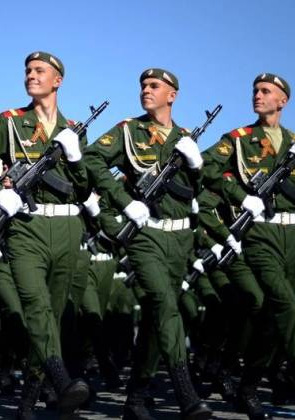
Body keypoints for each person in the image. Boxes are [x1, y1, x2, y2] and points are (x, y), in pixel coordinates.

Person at [0, 51, 91, 419]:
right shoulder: (10, 123)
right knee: (37, 307)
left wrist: (77, 160)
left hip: (66, 227)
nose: (31, 75)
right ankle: (61, 381)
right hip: (25, 228)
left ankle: (29, 399)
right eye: (28, 70)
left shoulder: (74, 128)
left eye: (39, 71)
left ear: (57, 80)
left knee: (55, 315)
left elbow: (84, 189)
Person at [202, 73, 295, 420]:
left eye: (266, 92)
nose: (258, 96)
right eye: (255, 91)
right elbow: (205, 167)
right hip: (260, 236)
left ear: (283, 101)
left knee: (273, 319)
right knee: (287, 306)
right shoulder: (239, 139)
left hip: (294, 237)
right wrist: (240, 196)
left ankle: (247, 386)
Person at [84, 68, 211, 420]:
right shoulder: (128, 130)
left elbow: (194, 192)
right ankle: (187, 395)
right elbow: (93, 159)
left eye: (154, 86)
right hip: (146, 235)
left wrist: (197, 166)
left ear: (172, 95)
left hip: (180, 237)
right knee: (165, 306)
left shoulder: (185, 137)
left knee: (159, 318)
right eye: (143, 85)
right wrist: (125, 202)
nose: (146, 90)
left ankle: (136, 398)